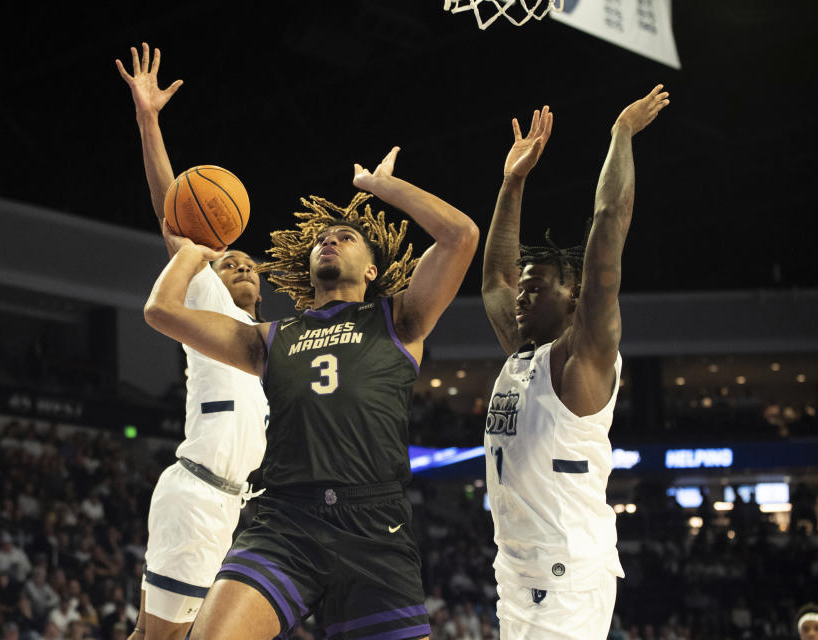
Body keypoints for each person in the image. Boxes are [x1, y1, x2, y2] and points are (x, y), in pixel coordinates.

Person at [144, 142, 479, 636]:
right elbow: (161, 312)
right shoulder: (269, 338)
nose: (330, 241)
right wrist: (193, 250)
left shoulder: (399, 320)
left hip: (374, 528)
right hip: (285, 523)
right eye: (324, 239)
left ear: (372, 270)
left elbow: (461, 235)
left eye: (345, 237)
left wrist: (382, 188)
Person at [480, 86, 670, 639]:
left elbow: (610, 221)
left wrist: (621, 134)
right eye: (524, 286)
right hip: (518, 569)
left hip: (564, 574)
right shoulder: (522, 355)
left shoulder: (579, 360)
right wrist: (512, 183)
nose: (521, 295)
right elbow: (494, 276)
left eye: (536, 288)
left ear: (573, 296)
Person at [116, 43, 270, 640]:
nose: (242, 268)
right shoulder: (212, 310)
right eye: (227, 261)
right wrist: (149, 121)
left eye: (249, 265)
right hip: (200, 495)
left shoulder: (270, 345)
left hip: (240, 511)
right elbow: (172, 214)